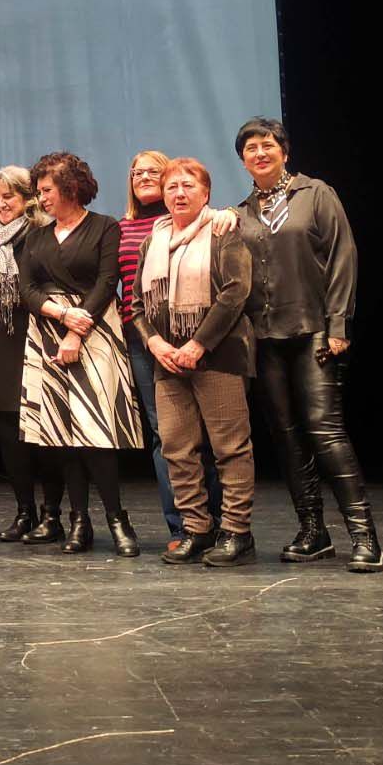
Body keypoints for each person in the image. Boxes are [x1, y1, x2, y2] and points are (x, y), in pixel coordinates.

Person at [233, 117, 382, 571]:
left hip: (315, 327)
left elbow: (343, 257)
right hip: (265, 335)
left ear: (284, 150)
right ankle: (313, 532)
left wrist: (338, 324)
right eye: (250, 148)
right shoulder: (240, 213)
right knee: (286, 436)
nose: (259, 153)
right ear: (242, 159)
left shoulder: (315, 194)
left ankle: (364, 536)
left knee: (325, 431)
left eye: (267, 145)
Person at [18, 151, 145, 557]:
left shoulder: (105, 227)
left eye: (46, 190)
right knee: (62, 435)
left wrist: (77, 327)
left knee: (96, 432)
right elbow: (27, 288)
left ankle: (116, 518)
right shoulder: (35, 237)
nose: (41, 199)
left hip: (95, 332)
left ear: (71, 189)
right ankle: (79, 522)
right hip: (47, 333)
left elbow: (108, 281)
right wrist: (58, 313)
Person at [135, 158, 257, 566]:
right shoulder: (152, 240)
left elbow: (236, 293)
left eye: (187, 186)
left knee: (229, 449)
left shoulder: (223, 231)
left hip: (217, 357)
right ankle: (196, 529)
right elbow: (136, 305)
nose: (179, 193)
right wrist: (155, 343)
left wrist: (199, 343)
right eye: (171, 187)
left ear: (205, 193)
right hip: (167, 361)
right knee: (176, 448)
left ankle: (237, 533)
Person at [118, 149, 222, 547]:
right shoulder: (121, 229)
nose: (143, 176)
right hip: (145, 341)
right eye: (136, 171)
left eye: (153, 171)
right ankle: (182, 526)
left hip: (200, 335)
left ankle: (215, 522)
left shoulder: (205, 221)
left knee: (209, 437)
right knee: (168, 437)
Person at [0, 166, 63, 542]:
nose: (1, 204)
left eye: (8, 196)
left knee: (42, 434)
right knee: (8, 434)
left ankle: (52, 514)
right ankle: (24, 511)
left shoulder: (42, 235)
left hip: (34, 338)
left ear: (27, 198)